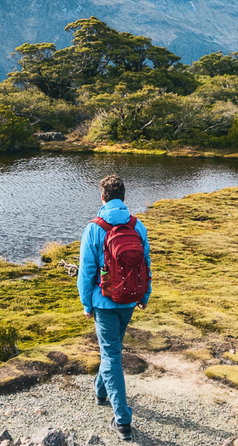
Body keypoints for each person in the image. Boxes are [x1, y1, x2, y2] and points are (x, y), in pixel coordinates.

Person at [78, 174, 151, 441]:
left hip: (105, 302)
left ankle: (122, 420)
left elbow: (86, 271)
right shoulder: (137, 225)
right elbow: (146, 262)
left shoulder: (94, 228)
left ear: (102, 197)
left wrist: (86, 302)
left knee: (111, 356)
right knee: (112, 351)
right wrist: (145, 294)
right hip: (130, 300)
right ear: (123, 197)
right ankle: (100, 392)